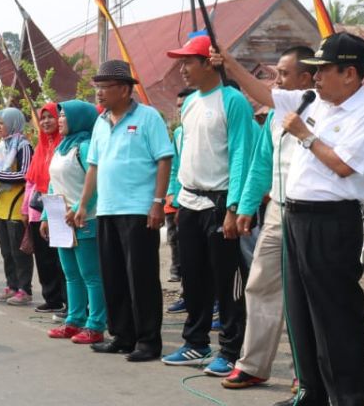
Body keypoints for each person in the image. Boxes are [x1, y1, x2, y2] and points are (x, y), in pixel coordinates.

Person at [224, 32, 364, 406]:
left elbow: (345, 166)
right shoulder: (315, 102)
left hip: (331, 220)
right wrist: (228, 62)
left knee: (335, 311)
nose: (315, 78)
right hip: (295, 214)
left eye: (323, 70)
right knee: (298, 309)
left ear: (350, 74)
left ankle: (350, 400)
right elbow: (264, 94)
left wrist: (306, 136)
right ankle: (310, 389)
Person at [212, 47, 315, 390]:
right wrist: (245, 206)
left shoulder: (321, 108)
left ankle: (307, 372)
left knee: (306, 296)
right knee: (259, 284)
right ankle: (254, 364)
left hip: (312, 213)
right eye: (276, 75)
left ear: (307, 77)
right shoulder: (274, 115)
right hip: (277, 211)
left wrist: (230, 64)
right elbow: (261, 164)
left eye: (284, 74)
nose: (278, 81)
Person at [160, 34, 255, 376]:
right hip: (189, 202)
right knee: (193, 278)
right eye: (181, 61)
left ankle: (231, 350)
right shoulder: (190, 104)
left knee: (227, 283)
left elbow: (244, 154)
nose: (182, 68)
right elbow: (185, 151)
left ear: (210, 63)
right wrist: (174, 191)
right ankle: (196, 343)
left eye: (188, 61)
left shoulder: (233, 101)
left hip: (219, 204)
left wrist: (234, 207)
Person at [75, 60, 174, 361]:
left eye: (105, 88)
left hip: (139, 210)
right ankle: (122, 335)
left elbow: (164, 159)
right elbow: (93, 166)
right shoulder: (101, 122)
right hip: (106, 210)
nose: (99, 94)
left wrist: (158, 202)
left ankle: (148, 341)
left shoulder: (148, 118)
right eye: (98, 88)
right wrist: (83, 204)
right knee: (113, 276)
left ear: (124, 89)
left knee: (141, 277)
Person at [43, 101, 107, 344]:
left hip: (85, 219)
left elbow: (98, 183)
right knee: (70, 274)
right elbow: (53, 183)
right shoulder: (61, 147)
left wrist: (82, 208)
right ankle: (74, 320)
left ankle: (96, 324)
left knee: (90, 274)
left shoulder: (86, 146)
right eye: (58, 116)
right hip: (62, 219)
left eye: (63, 116)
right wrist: (47, 216)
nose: (59, 120)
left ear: (79, 117)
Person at [0, 107, 35, 305]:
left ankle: (25, 289)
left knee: (19, 251)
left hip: (17, 206)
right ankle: (12, 286)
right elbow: (0, 174)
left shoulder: (23, 146)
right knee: (6, 251)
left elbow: (25, 175)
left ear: (13, 123)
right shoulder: (1, 147)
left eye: (1, 123)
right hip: (2, 206)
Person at [24, 102, 68, 315]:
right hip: (40, 207)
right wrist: (27, 210)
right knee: (43, 257)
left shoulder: (65, 143)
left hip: (61, 204)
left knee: (62, 258)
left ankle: (69, 301)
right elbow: (32, 180)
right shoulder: (41, 146)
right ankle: (52, 299)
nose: (46, 122)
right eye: (42, 118)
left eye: (50, 117)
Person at [164, 88, 193, 286]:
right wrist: (172, 193)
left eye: (185, 106)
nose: (181, 111)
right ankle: (184, 287)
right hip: (179, 196)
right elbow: (174, 167)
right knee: (176, 239)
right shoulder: (179, 132)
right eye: (179, 107)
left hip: (200, 196)